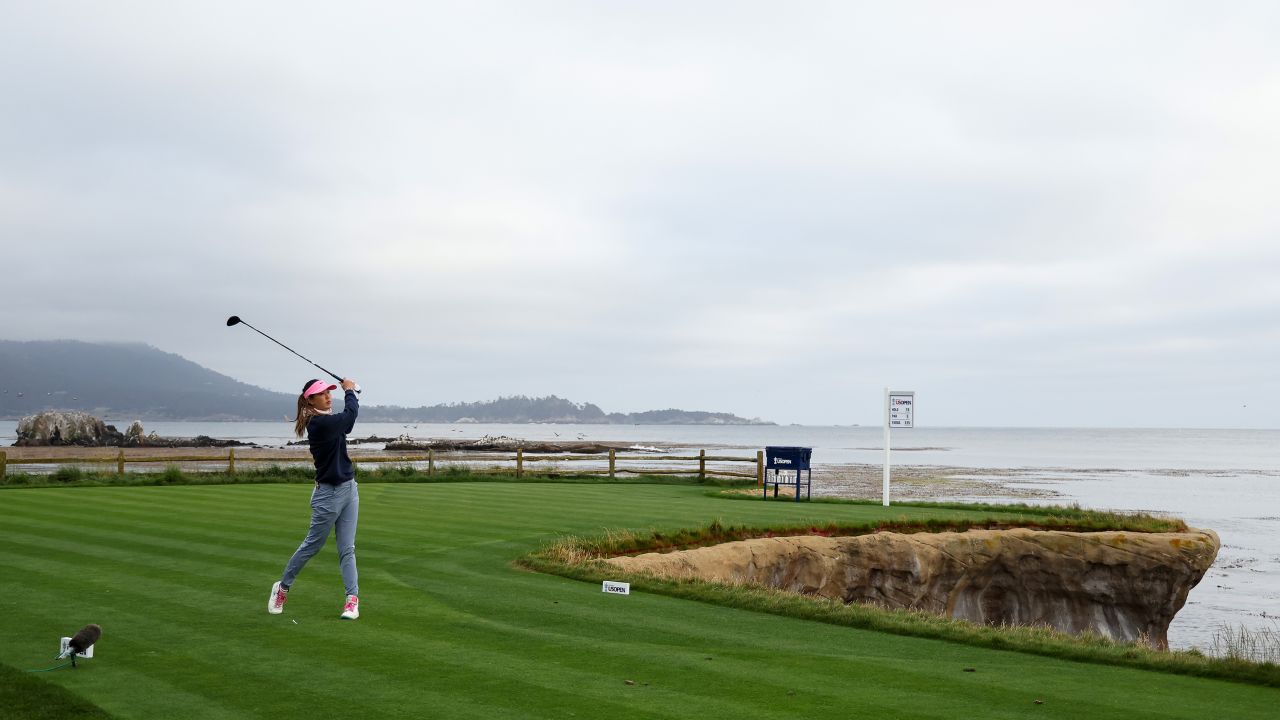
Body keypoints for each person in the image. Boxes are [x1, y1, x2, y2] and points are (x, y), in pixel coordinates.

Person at [268, 377, 362, 620]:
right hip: (328, 495)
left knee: (347, 548)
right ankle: (283, 587)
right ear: (310, 399)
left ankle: (352, 601)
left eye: (330, 392)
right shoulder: (318, 423)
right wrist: (350, 391)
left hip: (349, 489)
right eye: (322, 393)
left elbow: (345, 421)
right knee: (312, 545)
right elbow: (349, 419)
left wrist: (350, 392)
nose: (329, 396)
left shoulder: (328, 420)